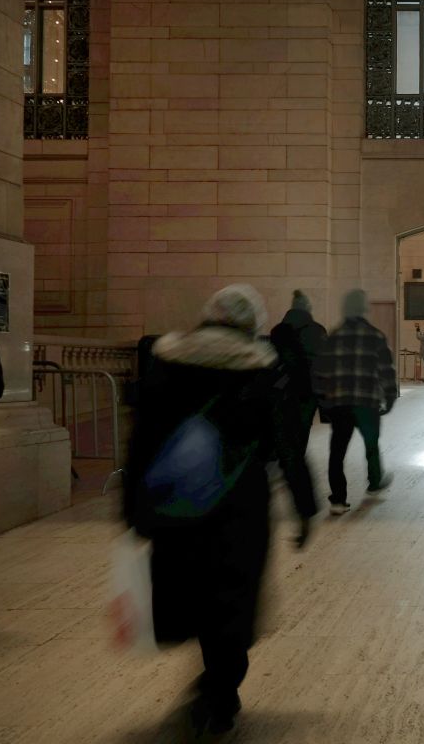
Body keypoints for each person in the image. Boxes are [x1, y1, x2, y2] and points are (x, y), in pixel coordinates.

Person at [122, 284, 318, 737]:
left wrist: (132, 506)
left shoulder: (166, 359)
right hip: (239, 504)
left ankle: (213, 686)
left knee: (187, 590)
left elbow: (141, 440)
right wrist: (305, 507)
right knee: (232, 597)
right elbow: (287, 444)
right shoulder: (263, 367)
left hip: (176, 504)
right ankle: (219, 694)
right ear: (253, 323)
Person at [313, 289, 398, 515]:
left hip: (340, 402)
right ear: (364, 309)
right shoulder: (375, 336)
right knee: (371, 444)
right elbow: (385, 370)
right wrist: (390, 395)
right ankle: (374, 482)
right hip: (367, 401)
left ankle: (338, 500)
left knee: (337, 451)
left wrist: (324, 399)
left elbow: (321, 371)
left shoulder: (334, 336)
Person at [268, 290, 327, 491]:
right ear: (308, 308)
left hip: (281, 388)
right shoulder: (317, 330)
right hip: (308, 389)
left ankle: (280, 461)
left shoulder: (277, 331)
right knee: (302, 427)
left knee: (282, 424)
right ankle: (295, 464)